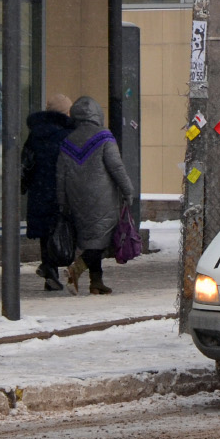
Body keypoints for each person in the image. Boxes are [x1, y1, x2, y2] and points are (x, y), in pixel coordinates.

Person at [56, 96, 135, 295]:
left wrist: (62, 200)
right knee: (103, 239)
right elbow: (116, 167)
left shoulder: (68, 141)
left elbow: (61, 175)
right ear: (97, 114)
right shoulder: (104, 136)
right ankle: (77, 269)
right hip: (103, 197)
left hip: (77, 198)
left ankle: (96, 282)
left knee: (92, 238)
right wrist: (128, 190)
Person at [21, 94, 73, 290]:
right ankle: (54, 265)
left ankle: (49, 268)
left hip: (38, 188)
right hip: (58, 187)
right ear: (65, 111)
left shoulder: (35, 132)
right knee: (60, 227)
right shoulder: (66, 134)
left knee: (45, 230)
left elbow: (26, 159)